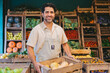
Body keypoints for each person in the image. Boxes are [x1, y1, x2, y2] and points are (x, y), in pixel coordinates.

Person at [27, 3, 79, 73]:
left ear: (54, 14)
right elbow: (29, 47)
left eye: (51, 12)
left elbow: (65, 44)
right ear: (42, 14)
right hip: (42, 65)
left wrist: (69, 55)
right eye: (47, 12)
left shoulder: (59, 29)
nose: (49, 14)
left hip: (56, 64)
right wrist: (34, 62)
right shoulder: (36, 30)